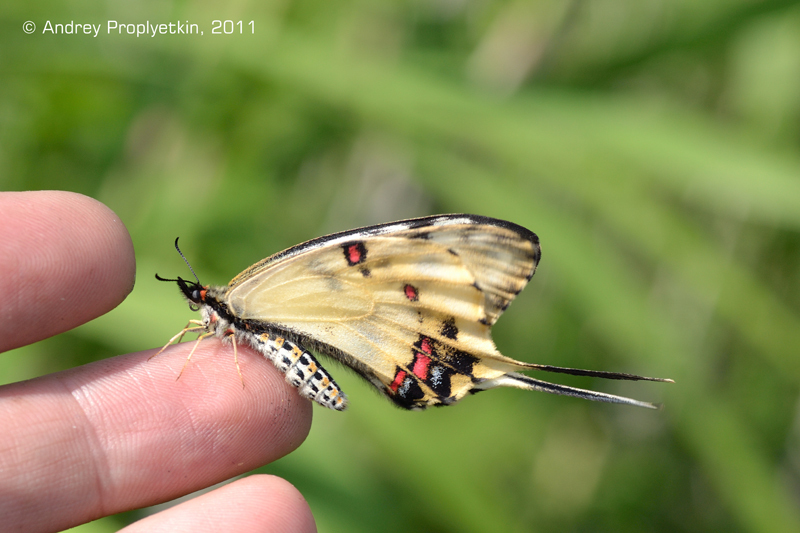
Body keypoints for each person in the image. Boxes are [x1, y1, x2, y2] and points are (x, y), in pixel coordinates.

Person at [0, 190, 316, 532]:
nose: (197, 306)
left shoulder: (230, 310)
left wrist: (237, 367)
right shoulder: (213, 317)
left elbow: (227, 337)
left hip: (282, 351)